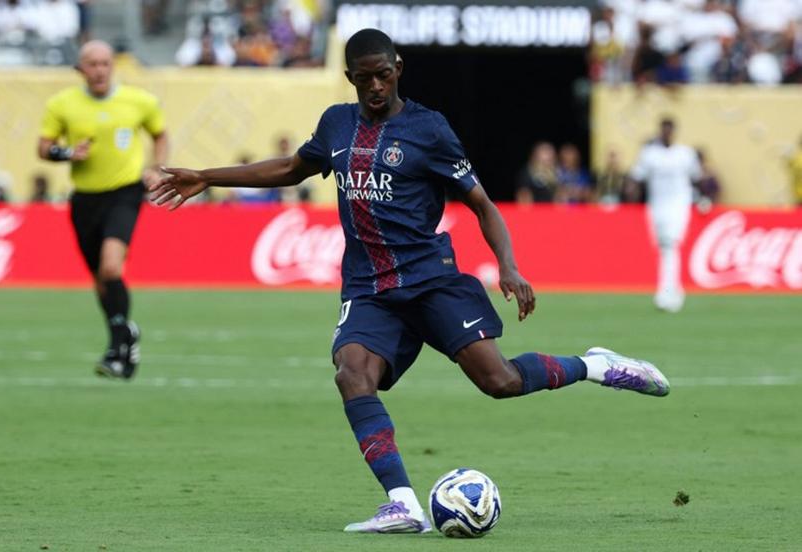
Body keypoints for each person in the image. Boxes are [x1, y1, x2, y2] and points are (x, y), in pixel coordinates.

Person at [150, 29, 670, 534]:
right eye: (362, 79)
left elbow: (482, 203)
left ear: (398, 69)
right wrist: (208, 176)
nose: (374, 87)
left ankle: (599, 365)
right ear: (349, 78)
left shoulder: (430, 130)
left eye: (382, 75)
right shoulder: (336, 125)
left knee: (501, 382)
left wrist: (508, 266)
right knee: (352, 373)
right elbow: (291, 167)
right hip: (368, 289)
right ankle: (402, 504)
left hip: (429, 280)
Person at [37, 40, 168, 379]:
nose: (99, 70)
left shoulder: (138, 101)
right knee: (100, 281)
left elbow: (160, 134)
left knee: (111, 268)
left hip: (124, 192)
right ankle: (121, 341)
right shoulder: (62, 105)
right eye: (92, 64)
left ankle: (119, 342)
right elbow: (44, 147)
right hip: (84, 199)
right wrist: (66, 154)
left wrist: (156, 168)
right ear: (80, 68)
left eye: (105, 63)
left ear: (113, 66)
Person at [629, 118, 701, 313]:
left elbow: (697, 177)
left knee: (671, 244)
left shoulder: (685, 154)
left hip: (679, 205)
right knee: (664, 248)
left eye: (670, 130)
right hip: (657, 206)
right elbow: (636, 177)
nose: (667, 133)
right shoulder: (650, 153)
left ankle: (665, 293)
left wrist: (701, 198)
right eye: (664, 130)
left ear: (674, 131)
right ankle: (675, 291)